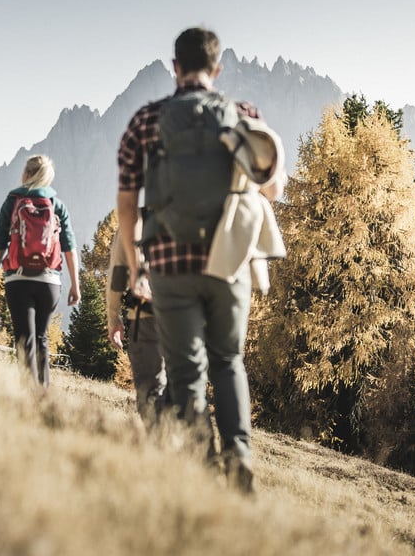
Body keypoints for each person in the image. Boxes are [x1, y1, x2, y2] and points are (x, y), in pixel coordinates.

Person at [116, 27, 284, 494]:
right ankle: (240, 455)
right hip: (228, 260)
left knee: (186, 372)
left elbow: (127, 204)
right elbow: (273, 188)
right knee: (228, 359)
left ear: (175, 67)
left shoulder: (145, 121)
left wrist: (135, 263)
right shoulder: (243, 115)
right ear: (217, 68)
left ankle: (204, 469)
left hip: (169, 264)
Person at [0, 155, 80, 390]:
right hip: (50, 281)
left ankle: (30, 397)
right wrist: (75, 284)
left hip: (19, 279)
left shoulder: (13, 201)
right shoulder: (56, 204)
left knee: (24, 340)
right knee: (41, 338)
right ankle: (44, 397)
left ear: (26, 174)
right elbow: (69, 247)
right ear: (48, 178)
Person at [106, 226, 168, 427]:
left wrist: (113, 317)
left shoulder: (135, 221)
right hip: (188, 318)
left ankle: (159, 440)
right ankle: (192, 442)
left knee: (151, 392)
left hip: (147, 317)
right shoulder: (197, 216)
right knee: (188, 390)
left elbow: (118, 273)